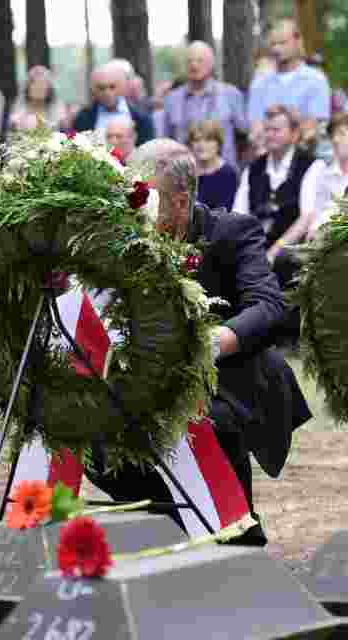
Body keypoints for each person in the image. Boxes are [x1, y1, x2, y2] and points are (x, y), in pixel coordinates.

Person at [87, 139, 311, 547]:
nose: (135, 210)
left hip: (229, 377)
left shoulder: (233, 231)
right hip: (146, 379)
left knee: (205, 424)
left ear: (180, 200)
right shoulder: (125, 239)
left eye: (145, 199)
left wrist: (212, 342)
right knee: (91, 439)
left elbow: (268, 305)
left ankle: (237, 535)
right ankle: (169, 524)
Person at [233, 105, 324, 263]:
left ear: (294, 134)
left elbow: (306, 218)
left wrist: (274, 253)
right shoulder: (253, 168)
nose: (270, 135)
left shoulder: (312, 165)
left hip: (292, 254)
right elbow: (239, 215)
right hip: (254, 250)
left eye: (276, 130)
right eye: (267, 129)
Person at [162, 41, 249, 170]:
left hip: (223, 174)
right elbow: (165, 142)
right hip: (185, 176)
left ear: (211, 64)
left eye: (200, 60)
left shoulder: (230, 94)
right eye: (190, 61)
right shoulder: (172, 99)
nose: (194, 65)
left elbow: (245, 135)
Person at [248, 19, 331, 152]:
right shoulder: (260, 83)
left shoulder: (316, 80)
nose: (276, 49)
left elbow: (315, 129)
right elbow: (255, 129)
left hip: (306, 156)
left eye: (283, 43)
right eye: (273, 44)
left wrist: (292, 118)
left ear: (298, 42)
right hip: (268, 157)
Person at [72, 61, 154, 145]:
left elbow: (148, 148)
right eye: (101, 88)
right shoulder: (83, 118)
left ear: (122, 87)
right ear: (93, 90)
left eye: (112, 87)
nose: (107, 93)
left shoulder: (141, 118)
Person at [305, 113, 348, 240]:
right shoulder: (320, 169)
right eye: (333, 135)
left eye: (341, 134)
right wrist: (314, 230)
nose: (335, 139)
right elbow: (312, 213)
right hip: (323, 240)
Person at [189, 119, 238, 211]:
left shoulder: (228, 174)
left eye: (208, 140)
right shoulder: (186, 173)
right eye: (196, 140)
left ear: (218, 144)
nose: (201, 145)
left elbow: (225, 212)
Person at [9, 65, 65, 133]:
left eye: (43, 84)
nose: (39, 88)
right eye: (35, 84)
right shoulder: (18, 114)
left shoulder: (57, 112)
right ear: (28, 88)